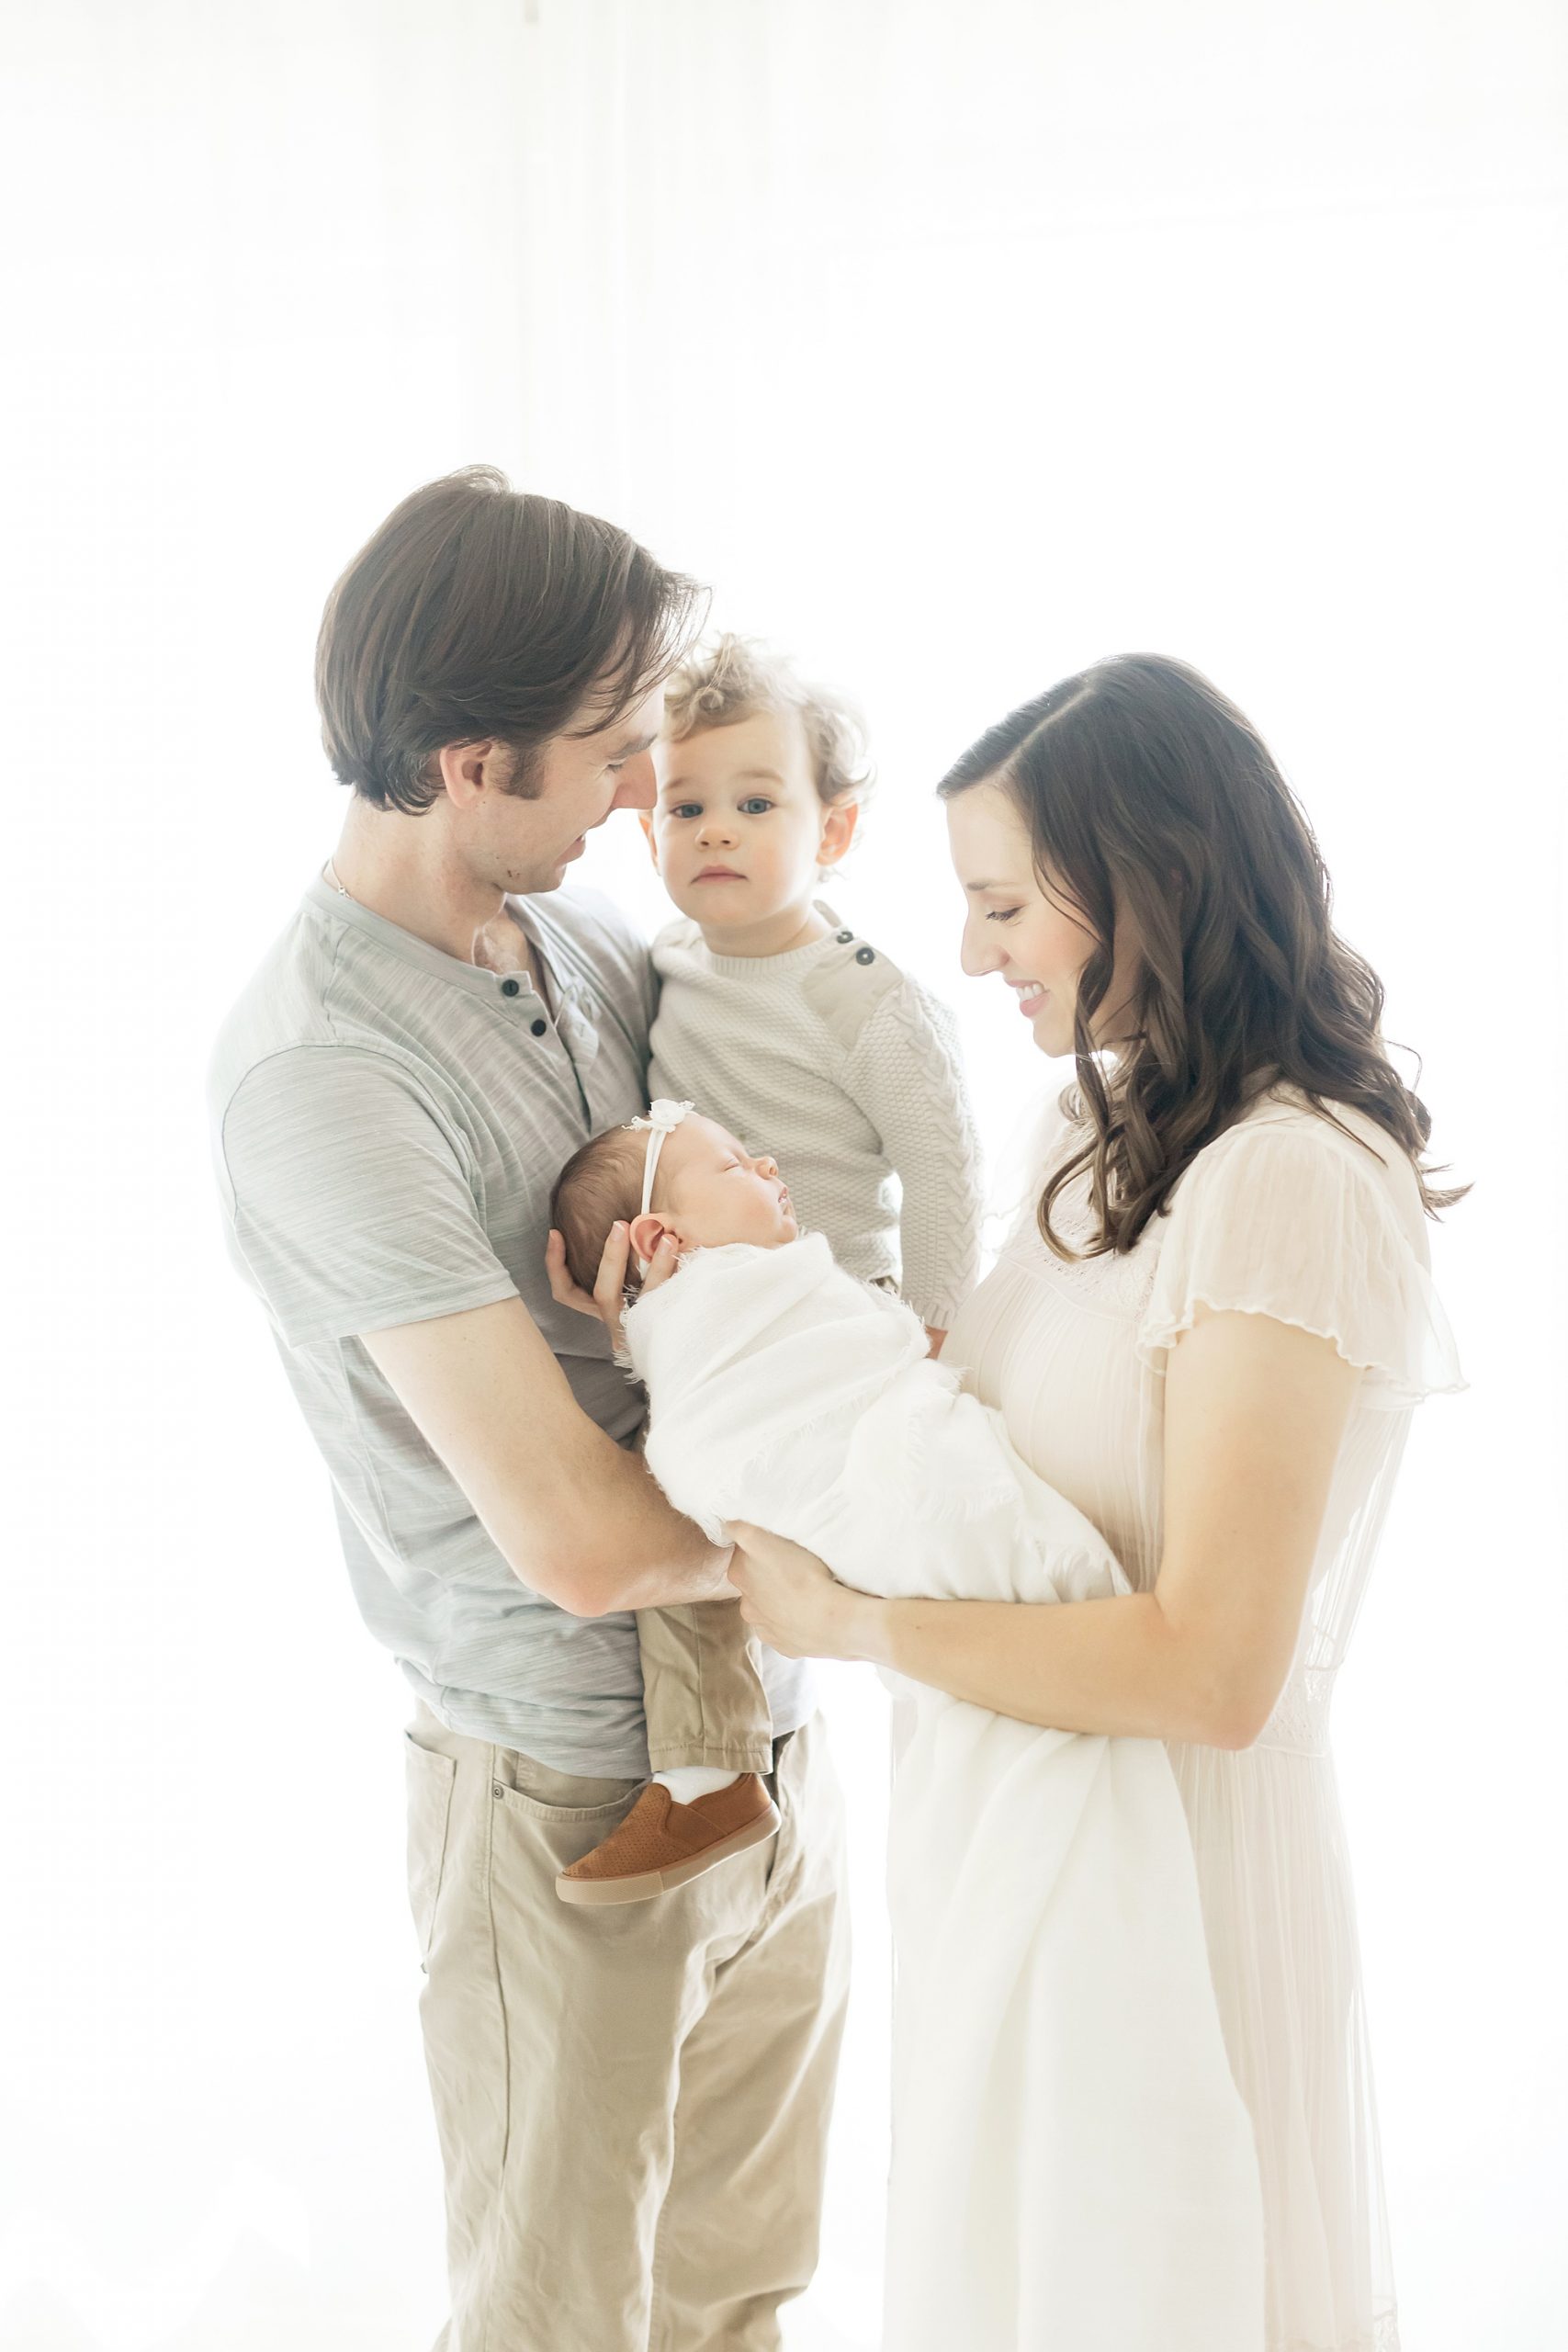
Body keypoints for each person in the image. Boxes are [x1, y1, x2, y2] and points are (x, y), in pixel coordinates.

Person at [726, 653, 1465, 2352]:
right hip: (1028, 1861)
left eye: (1000, 905)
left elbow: (1216, 1670)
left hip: (1185, 1888)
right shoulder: (1098, 1123)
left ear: (1150, 879)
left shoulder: (1289, 1178)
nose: (974, 952)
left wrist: (849, 1627)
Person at [207, 468, 851, 2352]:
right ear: (467, 761)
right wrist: (898, 1547)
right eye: (611, 755)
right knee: (562, 2321)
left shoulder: (571, 937)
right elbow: (571, 1536)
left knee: (736, 2299)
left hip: (768, 1728)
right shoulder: (324, 1072)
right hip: (570, 1785)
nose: (647, 794)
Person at [553, 1096, 1267, 2348]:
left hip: (996, 1605)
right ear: (665, 1234)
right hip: (931, 1536)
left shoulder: (751, 1295)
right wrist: (650, 1328)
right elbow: (761, 1426)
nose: (767, 1158)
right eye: (730, 1160)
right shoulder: (724, 1323)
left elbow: (863, 1362)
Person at [546, 635, 984, 1905]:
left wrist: (942, 1329)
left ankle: (712, 1778)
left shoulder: (863, 1001)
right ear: (650, 835)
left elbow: (946, 1173)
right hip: (712, 1313)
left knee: (707, 1496)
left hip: (827, 1319)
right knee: (669, 1489)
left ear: (834, 830)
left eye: (756, 803)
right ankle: (717, 1772)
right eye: (685, 807)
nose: (714, 832)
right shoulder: (663, 967)